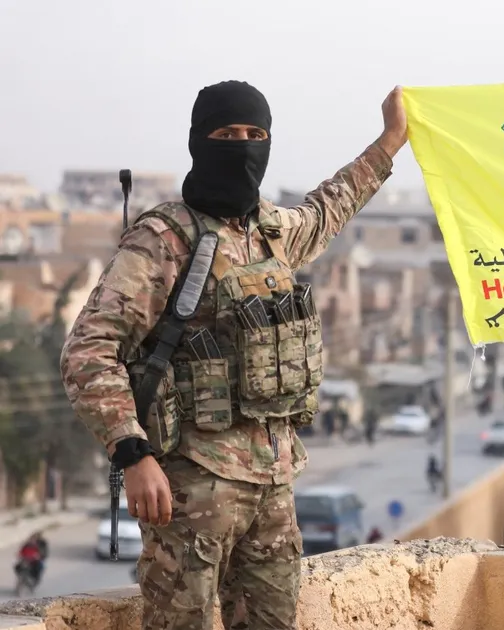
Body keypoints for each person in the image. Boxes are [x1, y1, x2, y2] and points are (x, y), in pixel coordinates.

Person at [60, 80, 408, 630]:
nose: (243, 145)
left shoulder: (273, 233)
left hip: (273, 485)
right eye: (227, 134)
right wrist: (132, 453)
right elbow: (89, 349)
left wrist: (390, 141)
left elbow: (331, 206)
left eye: (255, 135)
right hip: (189, 487)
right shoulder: (164, 239)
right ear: (199, 140)